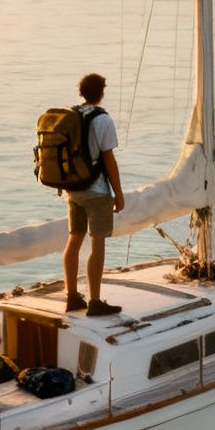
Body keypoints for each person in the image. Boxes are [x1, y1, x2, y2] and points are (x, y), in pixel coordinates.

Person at [62, 72, 124, 316]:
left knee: (74, 239)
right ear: (101, 93)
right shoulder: (103, 120)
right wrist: (118, 193)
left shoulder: (71, 115)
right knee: (97, 243)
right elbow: (108, 159)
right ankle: (95, 301)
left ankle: (72, 297)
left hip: (73, 189)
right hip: (96, 191)